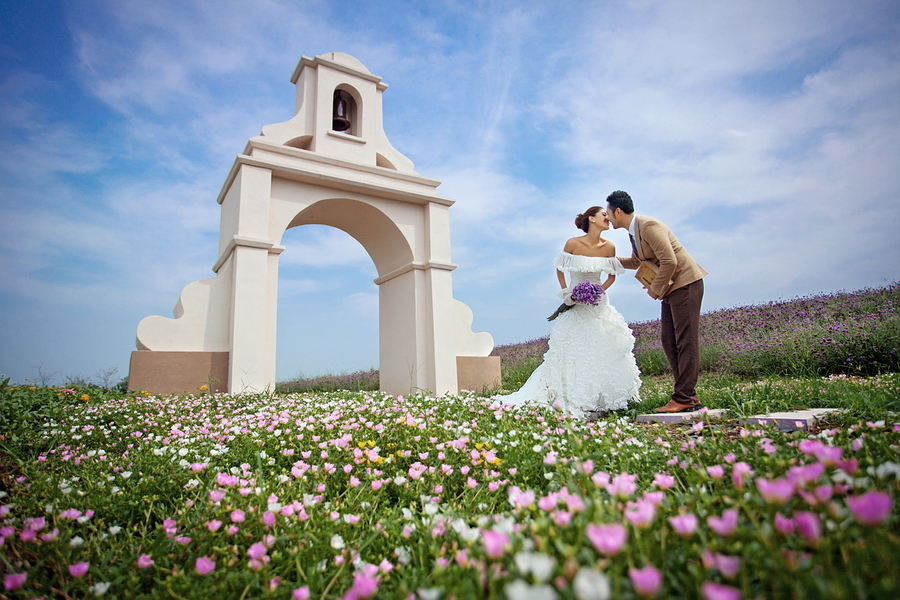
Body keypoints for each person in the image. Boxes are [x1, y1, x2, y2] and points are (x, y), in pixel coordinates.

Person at [500, 206, 641, 418]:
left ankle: (605, 398)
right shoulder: (573, 243)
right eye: (604, 215)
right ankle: (569, 393)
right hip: (574, 301)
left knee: (602, 344)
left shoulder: (609, 247)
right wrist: (568, 293)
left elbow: (611, 277)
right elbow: (560, 268)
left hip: (598, 303)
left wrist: (597, 292)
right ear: (592, 219)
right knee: (575, 347)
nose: (608, 219)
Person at [605, 190, 708, 413]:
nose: (608, 219)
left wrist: (655, 287)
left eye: (609, 214)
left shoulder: (648, 225)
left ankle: (683, 397)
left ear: (618, 211)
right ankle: (689, 396)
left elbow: (669, 261)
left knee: (686, 341)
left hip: (686, 284)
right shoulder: (634, 231)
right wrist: (607, 260)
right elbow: (636, 260)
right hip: (672, 289)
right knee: (669, 341)